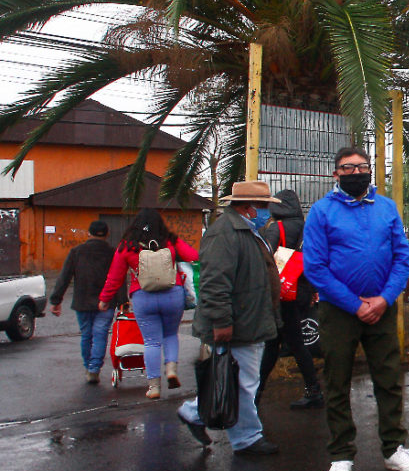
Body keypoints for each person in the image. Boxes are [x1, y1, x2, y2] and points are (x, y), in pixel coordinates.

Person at [303, 147, 409, 471]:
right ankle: (341, 454)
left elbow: (402, 258)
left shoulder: (386, 208)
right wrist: (356, 305)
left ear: (370, 171)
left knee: (388, 378)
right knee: (337, 381)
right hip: (339, 311)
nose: (356, 173)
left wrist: (384, 299)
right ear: (335, 174)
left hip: (382, 309)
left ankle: (394, 448)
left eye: (362, 166)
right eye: (348, 167)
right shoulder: (321, 212)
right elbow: (316, 267)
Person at [176, 180, 283, 455]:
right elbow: (214, 283)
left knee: (237, 381)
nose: (268, 213)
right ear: (249, 207)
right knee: (244, 383)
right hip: (240, 323)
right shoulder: (225, 234)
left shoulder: (244, 231)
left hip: (248, 321)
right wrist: (222, 322)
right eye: (264, 207)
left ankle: (196, 413)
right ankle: (246, 438)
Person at [99, 209, 198, 399]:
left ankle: (154, 386)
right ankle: (171, 370)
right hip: (173, 295)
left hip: (143, 297)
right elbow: (193, 256)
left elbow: (114, 277)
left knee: (151, 342)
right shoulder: (170, 241)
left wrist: (104, 299)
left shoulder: (127, 246)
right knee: (170, 334)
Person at [257, 189, 324, 410]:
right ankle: (257, 391)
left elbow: (266, 259)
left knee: (290, 342)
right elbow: (314, 260)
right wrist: (313, 288)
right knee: (276, 342)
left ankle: (312, 390)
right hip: (302, 290)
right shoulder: (307, 228)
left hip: (283, 292)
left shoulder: (277, 228)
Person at [50, 220, 124, 384]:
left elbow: (64, 277)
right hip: (106, 302)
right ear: (107, 235)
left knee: (86, 335)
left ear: (88, 233)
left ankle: (88, 365)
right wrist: (122, 301)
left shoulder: (77, 251)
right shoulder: (113, 253)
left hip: (82, 301)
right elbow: (119, 278)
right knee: (100, 335)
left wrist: (56, 300)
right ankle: (94, 369)